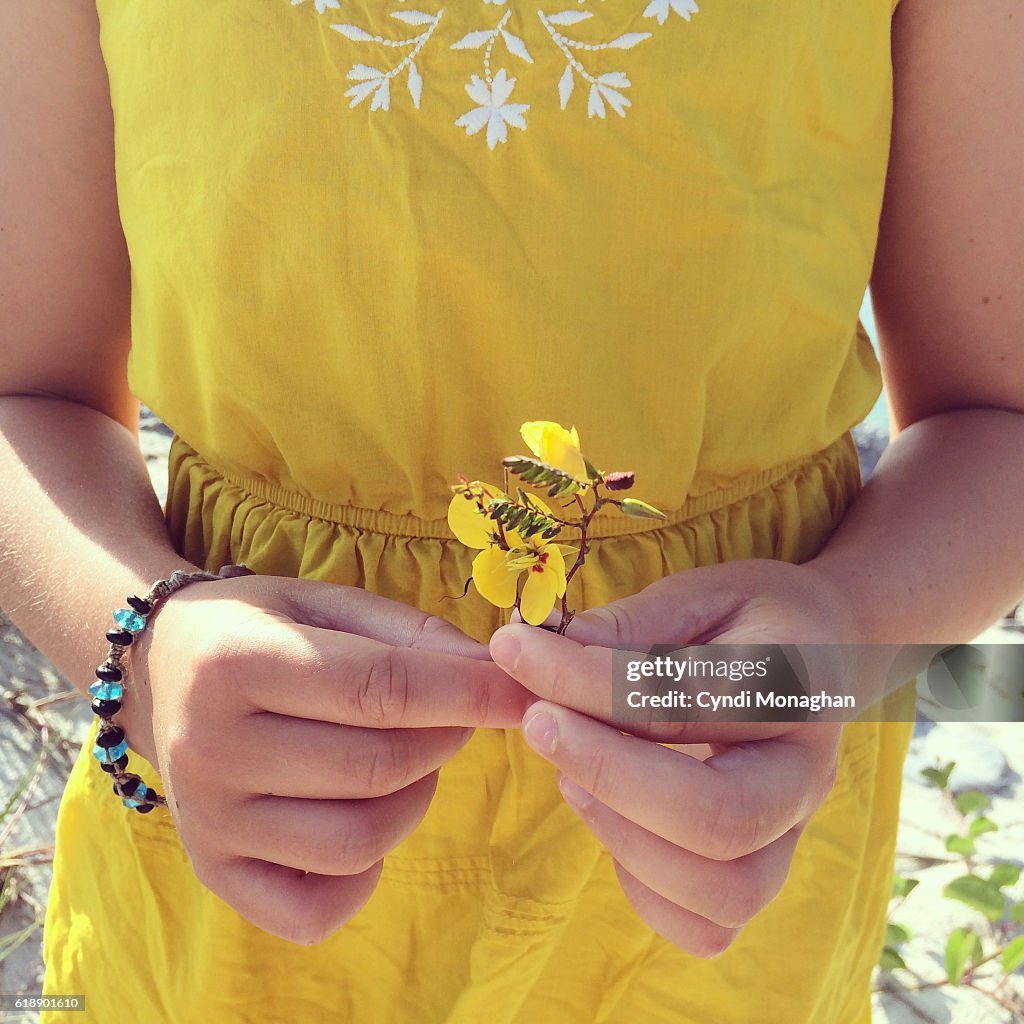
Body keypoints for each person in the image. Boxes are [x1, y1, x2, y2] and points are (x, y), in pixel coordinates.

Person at [2, 1, 1022, 1021]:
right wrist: (137, 647)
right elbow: (24, 394)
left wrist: (840, 638)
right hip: (230, 843)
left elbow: (996, 416)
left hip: (727, 844)